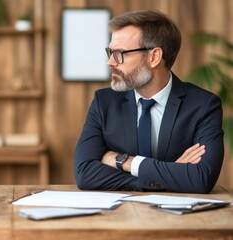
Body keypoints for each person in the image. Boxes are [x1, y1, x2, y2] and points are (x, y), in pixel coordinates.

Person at [74, 10, 224, 193]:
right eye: (110, 52)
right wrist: (168, 174)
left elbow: (200, 179)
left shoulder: (204, 105)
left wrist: (124, 161)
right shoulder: (103, 102)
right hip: (119, 217)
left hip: (180, 220)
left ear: (154, 57)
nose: (111, 62)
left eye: (120, 53)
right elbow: (85, 174)